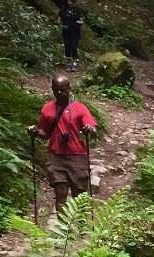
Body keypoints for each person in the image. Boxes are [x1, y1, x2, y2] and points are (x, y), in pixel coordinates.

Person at [28, 74, 97, 213]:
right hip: (56, 156)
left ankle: (80, 225)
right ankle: (62, 227)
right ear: (52, 89)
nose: (60, 93)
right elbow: (45, 133)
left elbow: (93, 130)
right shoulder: (47, 109)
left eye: (63, 90)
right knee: (60, 192)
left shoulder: (80, 108)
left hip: (77, 155)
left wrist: (89, 129)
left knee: (79, 195)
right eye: (56, 90)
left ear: (69, 88)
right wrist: (35, 132)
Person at [59, 0, 83, 72]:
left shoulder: (77, 10)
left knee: (73, 47)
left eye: (72, 1)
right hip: (66, 31)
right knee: (67, 47)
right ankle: (69, 64)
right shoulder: (63, 9)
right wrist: (62, 25)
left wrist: (79, 22)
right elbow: (60, 19)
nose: (70, 2)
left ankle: (74, 64)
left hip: (75, 31)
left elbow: (81, 20)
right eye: (69, 1)